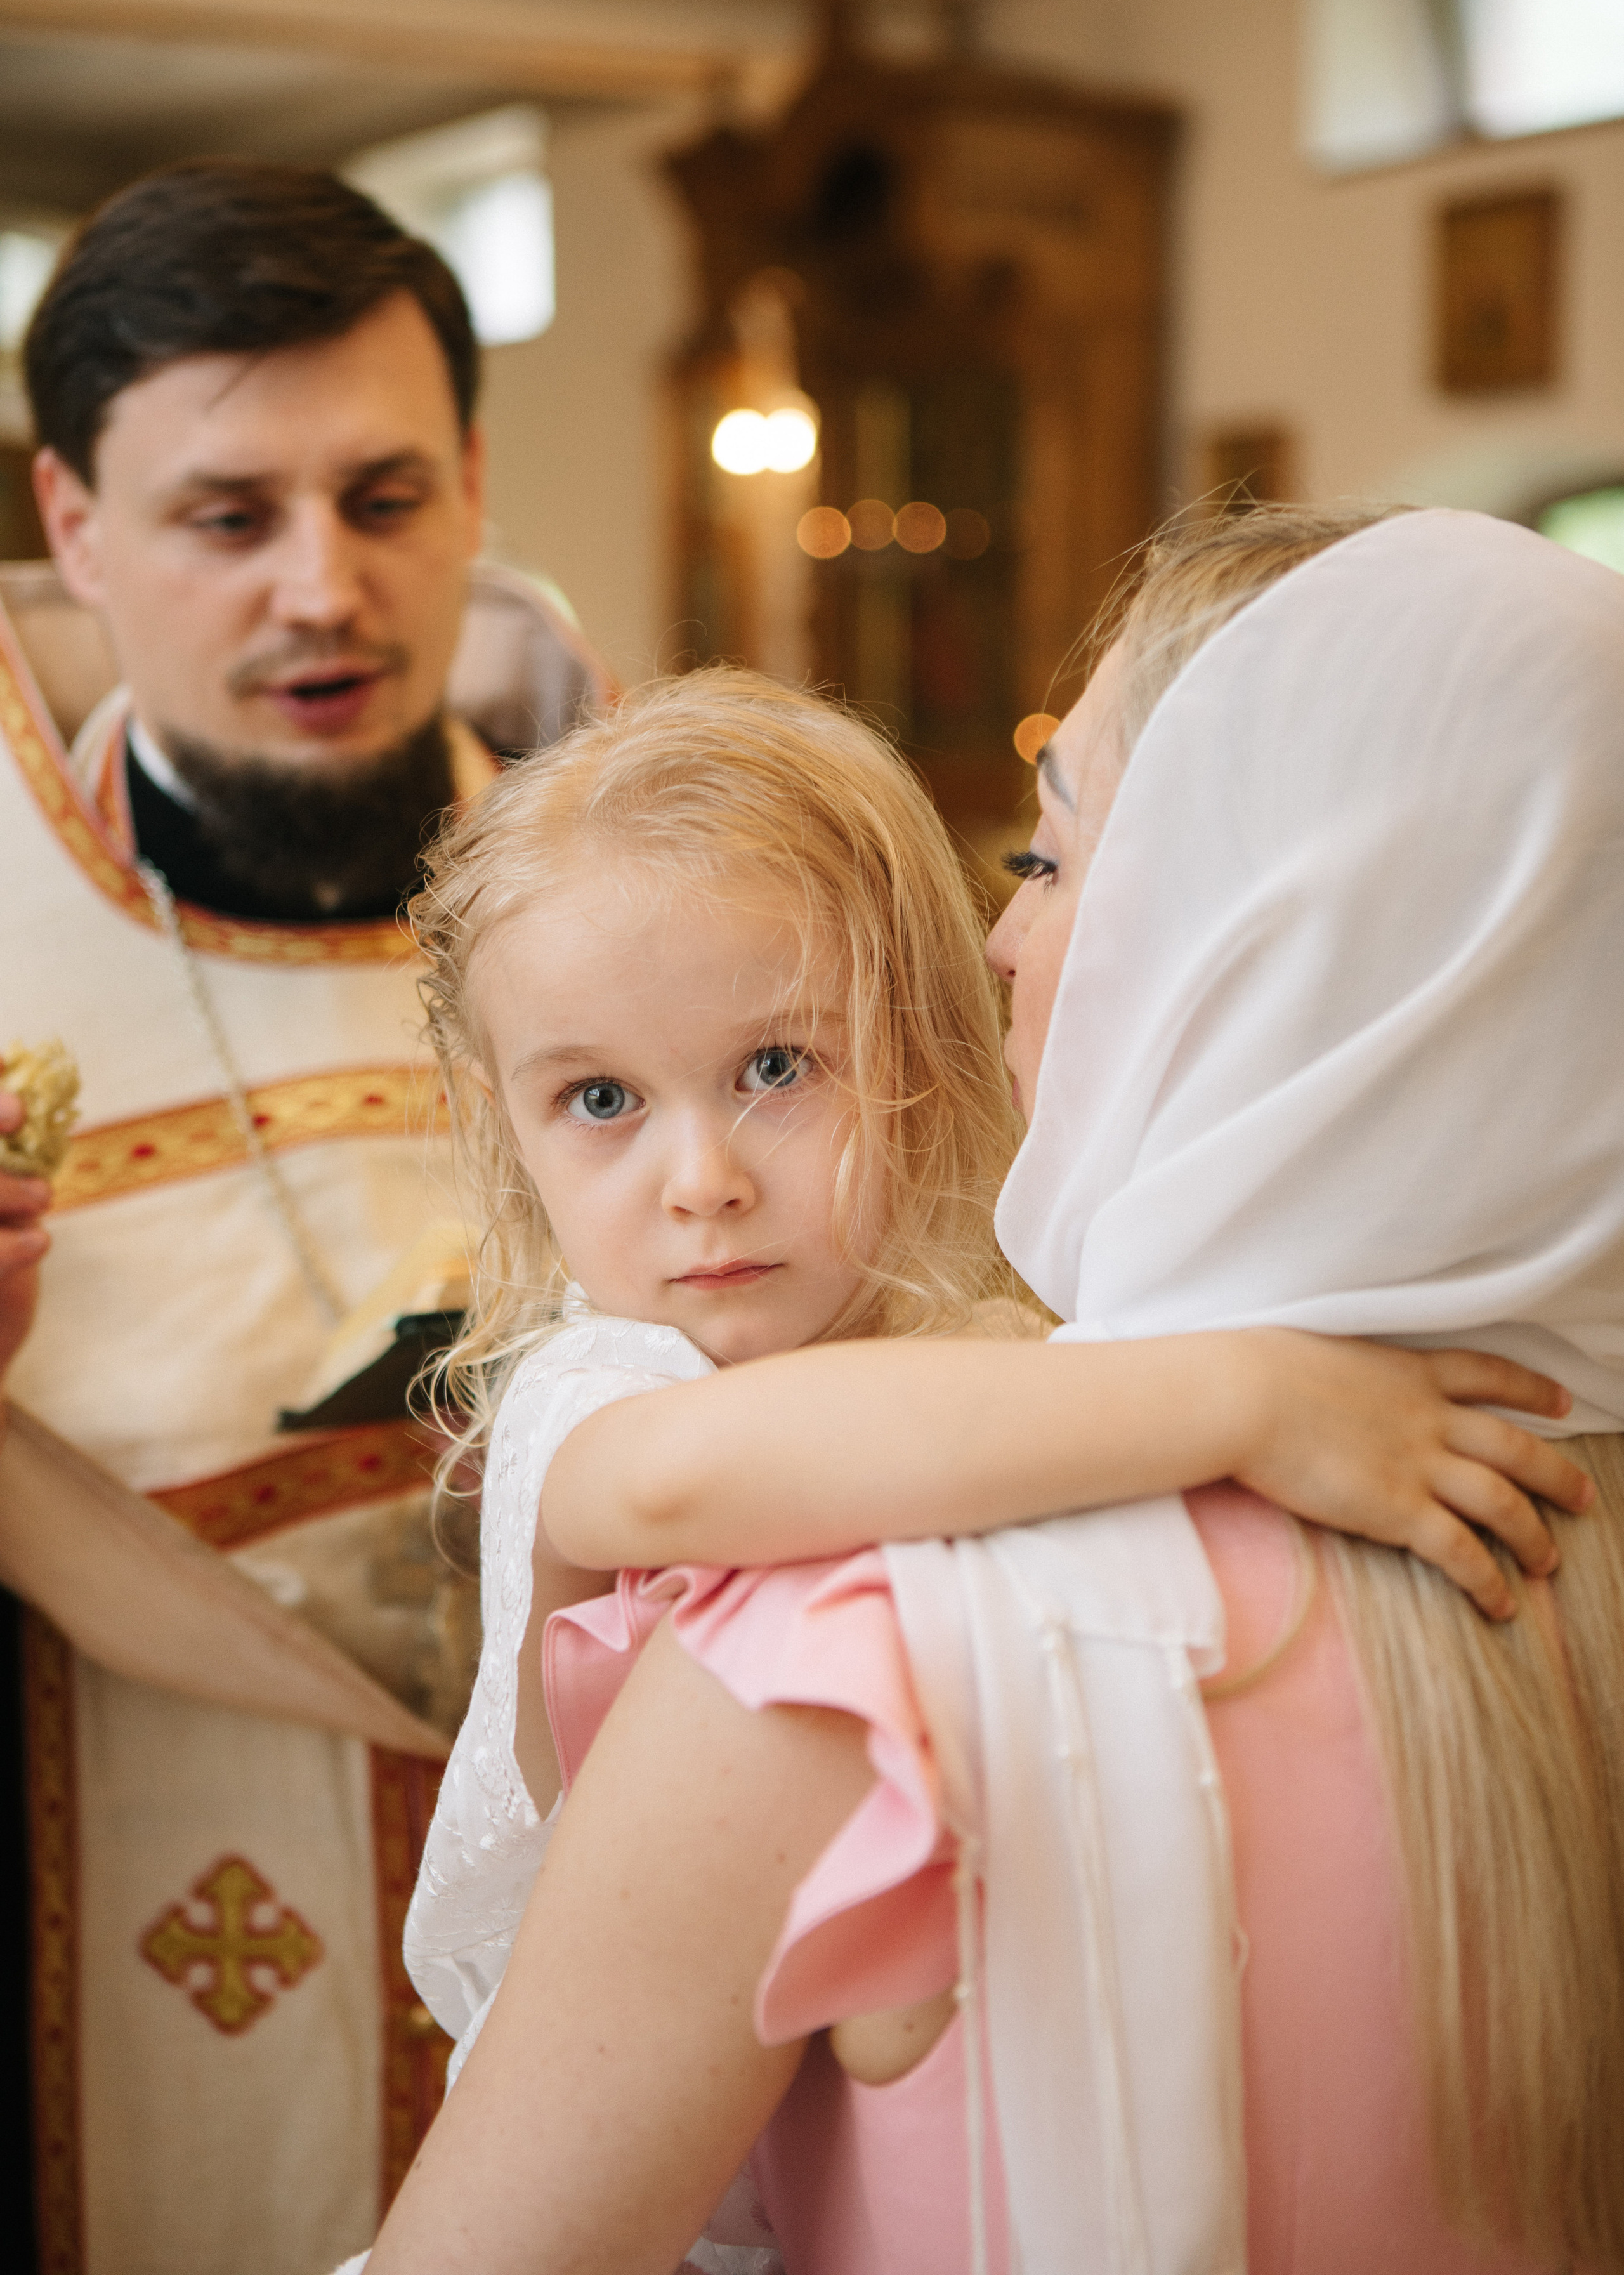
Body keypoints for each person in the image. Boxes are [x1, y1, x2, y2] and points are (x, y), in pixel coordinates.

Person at [366, 505, 1621, 2274]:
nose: (701, 1177)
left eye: (1048, 861)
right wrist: (1255, 1398)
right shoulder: (616, 1387)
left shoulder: (852, 1629)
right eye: (597, 1104)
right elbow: (670, 1484)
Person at [0, 159, 607, 2275]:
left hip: (620, 1912)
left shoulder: (678, 882)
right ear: (74, 527)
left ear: (471, 481)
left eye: (382, 495)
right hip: (117, 1939)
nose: (323, 592)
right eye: (226, 516)